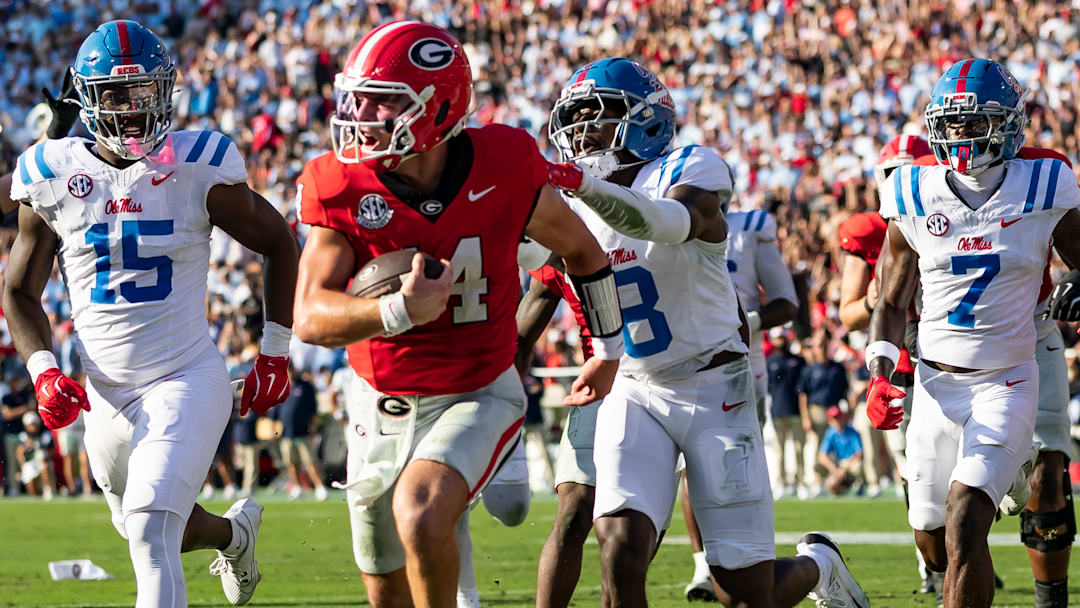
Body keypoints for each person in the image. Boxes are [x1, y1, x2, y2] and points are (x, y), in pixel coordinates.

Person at [291, 22, 624, 608]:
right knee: (385, 582)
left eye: (382, 100)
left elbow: (584, 252)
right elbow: (310, 316)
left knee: (420, 512)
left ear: (439, 107)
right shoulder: (340, 181)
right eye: (357, 97)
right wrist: (398, 309)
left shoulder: (505, 163)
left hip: (478, 390)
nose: (360, 115)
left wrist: (609, 349)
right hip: (379, 398)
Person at [545, 57, 867, 608]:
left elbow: (664, 222)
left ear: (645, 120)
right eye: (573, 120)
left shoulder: (690, 166)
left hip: (714, 384)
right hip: (634, 386)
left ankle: (819, 567)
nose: (581, 132)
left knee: (743, 594)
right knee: (619, 549)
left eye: (596, 116)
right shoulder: (574, 200)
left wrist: (580, 187)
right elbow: (526, 261)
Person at [3, 20, 300, 607]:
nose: (134, 109)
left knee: (148, 528)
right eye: (117, 95)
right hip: (104, 393)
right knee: (158, 526)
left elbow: (278, 242)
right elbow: (18, 291)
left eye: (145, 92)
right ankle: (234, 535)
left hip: (183, 375)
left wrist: (275, 351)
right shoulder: (51, 171)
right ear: (88, 99)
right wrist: (42, 370)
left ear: (166, 90)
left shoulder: (198, 163)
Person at [867, 58, 1080, 608]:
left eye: (975, 120)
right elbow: (890, 299)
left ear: (1009, 123)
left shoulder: (1044, 182)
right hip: (934, 383)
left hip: (1007, 377)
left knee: (965, 515)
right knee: (931, 532)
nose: (961, 133)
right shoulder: (912, 189)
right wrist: (879, 371)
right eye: (952, 122)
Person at [681, 203, 798, 599]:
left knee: (739, 466)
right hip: (683, 361)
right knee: (690, 468)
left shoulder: (749, 228)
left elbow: (787, 303)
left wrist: (744, 322)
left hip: (742, 363)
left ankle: (747, 562)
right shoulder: (668, 223)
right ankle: (703, 566)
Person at [797, 329, 850, 496]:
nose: (822, 348)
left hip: (835, 412)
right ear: (814, 348)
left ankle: (836, 481)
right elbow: (803, 395)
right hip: (817, 411)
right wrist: (805, 417)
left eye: (825, 345)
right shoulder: (808, 369)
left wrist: (847, 413)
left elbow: (845, 391)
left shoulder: (837, 367)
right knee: (818, 446)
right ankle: (817, 480)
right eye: (819, 345)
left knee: (836, 447)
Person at [766, 329, 809, 500]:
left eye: (783, 338)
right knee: (779, 451)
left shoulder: (798, 360)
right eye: (778, 338)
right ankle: (781, 483)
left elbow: (803, 388)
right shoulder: (770, 361)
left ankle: (801, 483)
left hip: (796, 411)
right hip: (777, 412)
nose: (781, 341)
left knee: (799, 449)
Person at [275, 366, 328, 501]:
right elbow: (276, 411)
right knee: (291, 462)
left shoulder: (305, 386)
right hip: (286, 433)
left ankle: (319, 487)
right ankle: (297, 487)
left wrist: (313, 426)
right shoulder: (280, 387)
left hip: (304, 431)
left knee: (310, 461)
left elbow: (313, 409)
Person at [817, 406, 863, 496]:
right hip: (836, 463)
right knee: (818, 465)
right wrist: (833, 469)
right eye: (834, 419)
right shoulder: (830, 432)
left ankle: (857, 485)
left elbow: (859, 453)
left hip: (849, 462)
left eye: (838, 418)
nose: (837, 421)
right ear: (830, 421)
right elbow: (822, 455)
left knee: (858, 467)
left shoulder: (851, 431)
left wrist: (843, 469)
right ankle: (825, 485)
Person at [15, 411, 55, 500]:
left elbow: (52, 452)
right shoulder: (23, 436)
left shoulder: (45, 434)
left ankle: (48, 490)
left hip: (43, 461)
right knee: (33, 491)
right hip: (30, 462)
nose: (33, 427)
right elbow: (19, 453)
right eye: (30, 425)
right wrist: (21, 468)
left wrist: (43, 451)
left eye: (34, 424)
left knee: (45, 466)